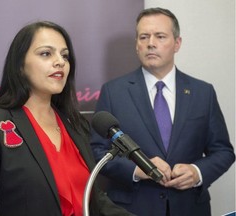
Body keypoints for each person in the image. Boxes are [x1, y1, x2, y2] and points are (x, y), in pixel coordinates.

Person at [0, 21, 135, 216]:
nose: (59, 61)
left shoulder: (75, 125)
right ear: (20, 65)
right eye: (46, 53)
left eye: (65, 55)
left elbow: (95, 200)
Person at [90, 7, 235, 216]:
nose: (151, 43)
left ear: (177, 43)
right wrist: (138, 170)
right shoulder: (113, 91)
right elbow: (98, 152)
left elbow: (223, 151)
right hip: (131, 209)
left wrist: (197, 172)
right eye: (144, 37)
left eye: (160, 36)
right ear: (137, 45)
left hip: (189, 207)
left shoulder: (203, 92)